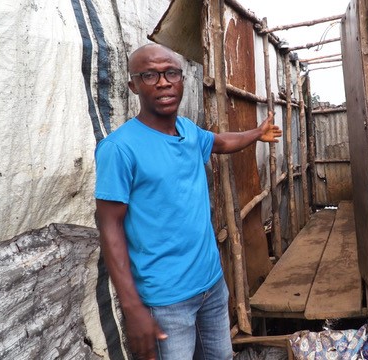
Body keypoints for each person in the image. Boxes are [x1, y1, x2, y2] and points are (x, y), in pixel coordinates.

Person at [94, 43, 281, 360]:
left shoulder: (188, 131)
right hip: (165, 300)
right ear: (133, 85)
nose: (164, 82)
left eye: (171, 73)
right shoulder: (119, 148)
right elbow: (109, 226)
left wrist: (257, 132)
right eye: (150, 75)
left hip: (211, 284)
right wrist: (132, 307)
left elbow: (221, 142)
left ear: (182, 79)